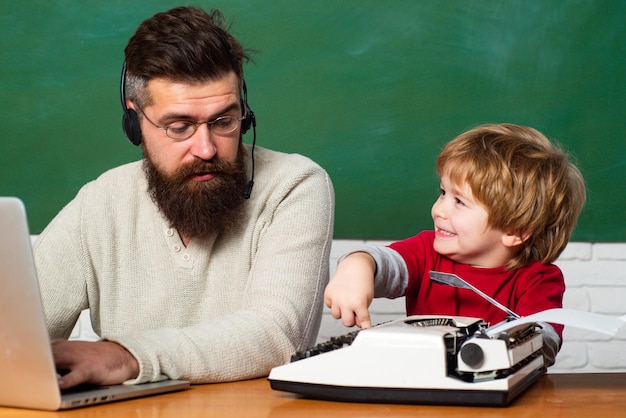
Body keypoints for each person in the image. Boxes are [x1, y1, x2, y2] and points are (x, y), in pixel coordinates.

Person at [33, 6, 334, 389]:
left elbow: (278, 332)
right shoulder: (99, 203)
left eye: (224, 121)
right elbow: (15, 333)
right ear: (134, 122)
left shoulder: (296, 185)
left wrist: (126, 357)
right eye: (180, 127)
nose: (206, 148)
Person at [324, 123, 585, 366]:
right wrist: (356, 265)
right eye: (442, 193)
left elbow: (545, 343)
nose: (438, 210)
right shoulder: (427, 251)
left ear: (514, 231)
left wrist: (517, 341)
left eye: (459, 201)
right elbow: (385, 264)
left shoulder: (539, 279)